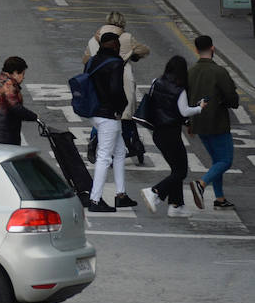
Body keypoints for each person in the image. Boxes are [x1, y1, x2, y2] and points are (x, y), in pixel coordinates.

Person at [141, 55, 206, 218]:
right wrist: (199, 108)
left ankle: (176, 205)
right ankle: (155, 191)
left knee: (176, 170)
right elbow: (184, 111)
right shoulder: (180, 89)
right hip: (171, 134)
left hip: (158, 133)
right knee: (181, 171)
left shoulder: (156, 82)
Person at [83, 12, 151, 164]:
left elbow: (85, 59)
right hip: (122, 78)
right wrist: (133, 53)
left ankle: (94, 142)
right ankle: (127, 145)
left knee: (102, 114)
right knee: (124, 114)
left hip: (98, 81)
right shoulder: (126, 37)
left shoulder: (94, 38)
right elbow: (144, 50)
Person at [85, 33, 136, 212]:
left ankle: (121, 195)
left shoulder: (92, 61)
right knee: (104, 157)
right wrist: (121, 107)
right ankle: (95, 200)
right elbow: (116, 89)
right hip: (108, 115)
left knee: (120, 151)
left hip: (94, 112)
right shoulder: (116, 63)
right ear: (115, 45)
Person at [188, 34, 239, 210]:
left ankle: (220, 198)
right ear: (212, 48)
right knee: (225, 160)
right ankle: (201, 184)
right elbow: (232, 98)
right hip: (217, 122)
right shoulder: (219, 71)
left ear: (196, 50)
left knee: (217, 160)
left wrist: (189, 122)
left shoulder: (191, 72)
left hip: (198, 121)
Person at [0, 55, 38, 145]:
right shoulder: (8, 85)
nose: (23, 77)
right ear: (15, 73)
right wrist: (34, 117)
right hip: (4, 137)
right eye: (22, 74)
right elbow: (15, 107)